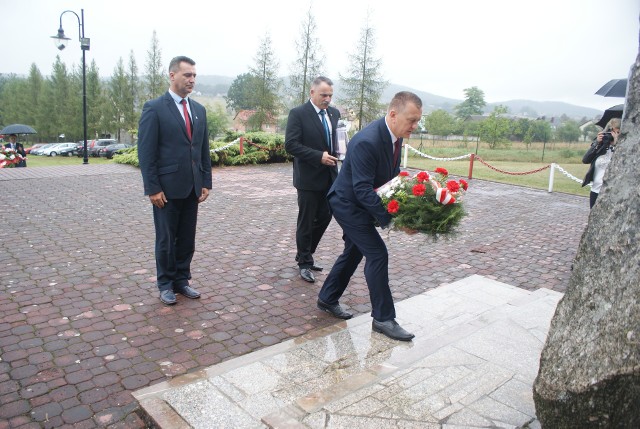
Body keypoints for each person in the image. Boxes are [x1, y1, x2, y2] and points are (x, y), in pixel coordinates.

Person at [316, 91, 422, 341]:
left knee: (354, 251)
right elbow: (362, 189)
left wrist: (407, 210)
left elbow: (390, 180)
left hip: (361, 203)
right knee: (377, 253)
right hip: (347, 204)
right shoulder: (368, 140)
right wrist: (395, 220)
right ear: (393, 114)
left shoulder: (395, 137)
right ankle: (383, 318)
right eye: (411, 120)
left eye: (418, 120)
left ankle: (327, 298)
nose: (415, 127)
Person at [137, 56, 212, 305]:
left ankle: (182, 280)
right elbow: (146, 153)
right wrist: (153, 188)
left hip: (192, 186)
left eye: (194, 75)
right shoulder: (154, 108)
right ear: (172, 76)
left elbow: (202, 150)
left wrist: (206, 181)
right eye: (187, 75)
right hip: (166, 190)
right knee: (166, 239)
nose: (191, 80)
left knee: (187, 238)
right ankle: (166, 283)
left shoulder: (199, 110)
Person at [285, 76, 340, 283]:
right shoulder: (298, 114)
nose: (327, 99)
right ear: (312, 93)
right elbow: (291, 145)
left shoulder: (334, 113)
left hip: (330, 176)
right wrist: (319, 156)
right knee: (306, 221)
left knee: (325, 216)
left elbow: (337, 140)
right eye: (324, 95)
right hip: (308, 178)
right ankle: (305, 262)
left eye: (330, 95)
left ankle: (305, 254)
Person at [582, 118, 621, 209]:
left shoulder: (622, 149)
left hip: (613, 192)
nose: (614, 135)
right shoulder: (600, 146)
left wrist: (616, 144)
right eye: (611, 131)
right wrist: (597, 143)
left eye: (618, 132)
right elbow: (585, 160)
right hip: (596, 190)